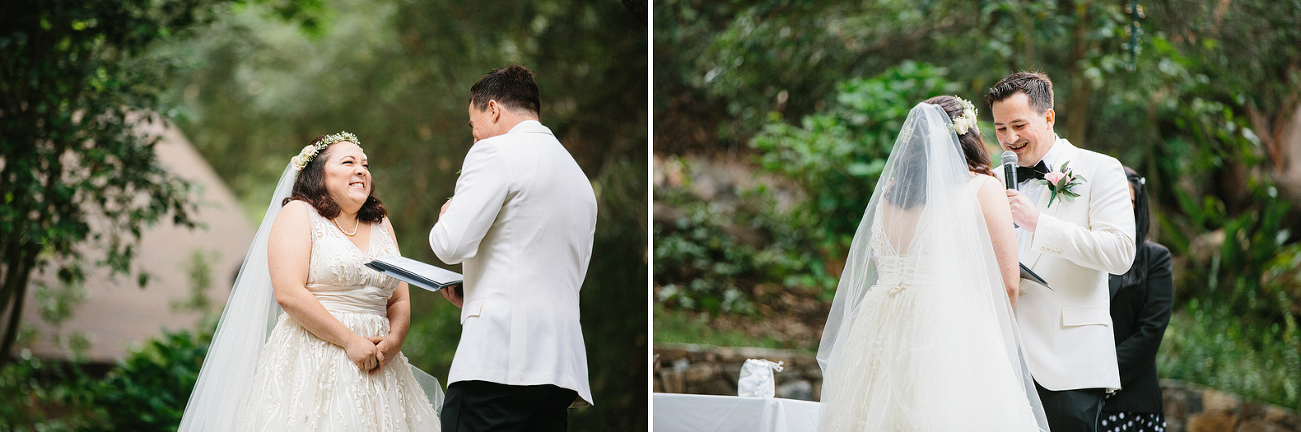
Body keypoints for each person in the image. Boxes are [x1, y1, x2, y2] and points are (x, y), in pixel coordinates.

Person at [178, 132, 442, 431]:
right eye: (348, 162)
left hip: (382, 363)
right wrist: (349, 340)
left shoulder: (381, 223)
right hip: (315, 356)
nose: (361, 170)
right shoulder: (298, 214)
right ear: (319, 173)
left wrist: (394, 341)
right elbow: (288, 293)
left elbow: (400, 298)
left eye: (365, 164)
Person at [817, 96, 1050, 431]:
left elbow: (884, 267)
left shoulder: (888, 196)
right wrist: (996, 345)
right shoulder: (983, 188)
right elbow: (1009, 284)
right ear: (969, 137)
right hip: (947, 322)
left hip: (879, 322)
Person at [429, 65, 596, 432]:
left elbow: (450, 244)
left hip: (497, 362)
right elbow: (564, 273)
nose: (476, 140)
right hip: (558, 372)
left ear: (493, 109)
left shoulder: (495, 152)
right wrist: (473, 288)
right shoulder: (579, 179)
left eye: (475, 129)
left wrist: (449, 212)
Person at [988, 71, 1136, 432]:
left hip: (1070, 366)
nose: (1010, 139)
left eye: (1019, 125)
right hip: (1000, 363)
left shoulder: (1100, 168)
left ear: (1049, 117)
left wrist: (1039, 222)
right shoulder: (990, 180)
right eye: (1000, 128)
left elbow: (1120, 253)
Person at [1100, 167, 1173, 432]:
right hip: (1079, 401)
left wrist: (1099, 374)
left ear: (1138, 207)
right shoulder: (1086, 254)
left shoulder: (1155, 258)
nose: (1118, 209)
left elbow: (1150, 332)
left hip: (1132, 403)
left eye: (1127, 203)